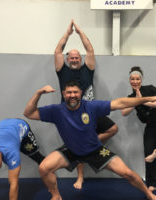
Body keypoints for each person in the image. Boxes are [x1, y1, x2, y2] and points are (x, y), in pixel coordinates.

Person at [23, 80, 156, 200]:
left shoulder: (91, 106)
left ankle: (149, 195)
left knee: (128, 173)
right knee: (43, 168)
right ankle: (55, 196)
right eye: (69, 92)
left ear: (80, 93)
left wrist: (147, 99)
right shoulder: (56, 111)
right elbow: (29, 113)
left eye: (75, 92)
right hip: (71, 150)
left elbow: (119, 103)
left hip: (95, 150)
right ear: (63, 94)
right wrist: (38, 93)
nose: (72, 95)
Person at [54, 19, 118, 189]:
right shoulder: (62, 71)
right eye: (71, 57)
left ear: (80, 59)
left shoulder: (87, 68)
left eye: (76, 57)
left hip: (90, 111)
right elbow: (57, 51)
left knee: (113, 128)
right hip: (69, 114)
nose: (74, 59)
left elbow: (90, 49)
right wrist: (67, 34)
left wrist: (81, 32)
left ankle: (91, 141)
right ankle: (80, 177)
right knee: (77, 143)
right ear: (68, 59)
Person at [0, 118, 45, 200]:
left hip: (20, 125)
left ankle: (49, 175)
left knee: (37, 157)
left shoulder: (12, 154)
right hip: (2, 125)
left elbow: (14, 184)